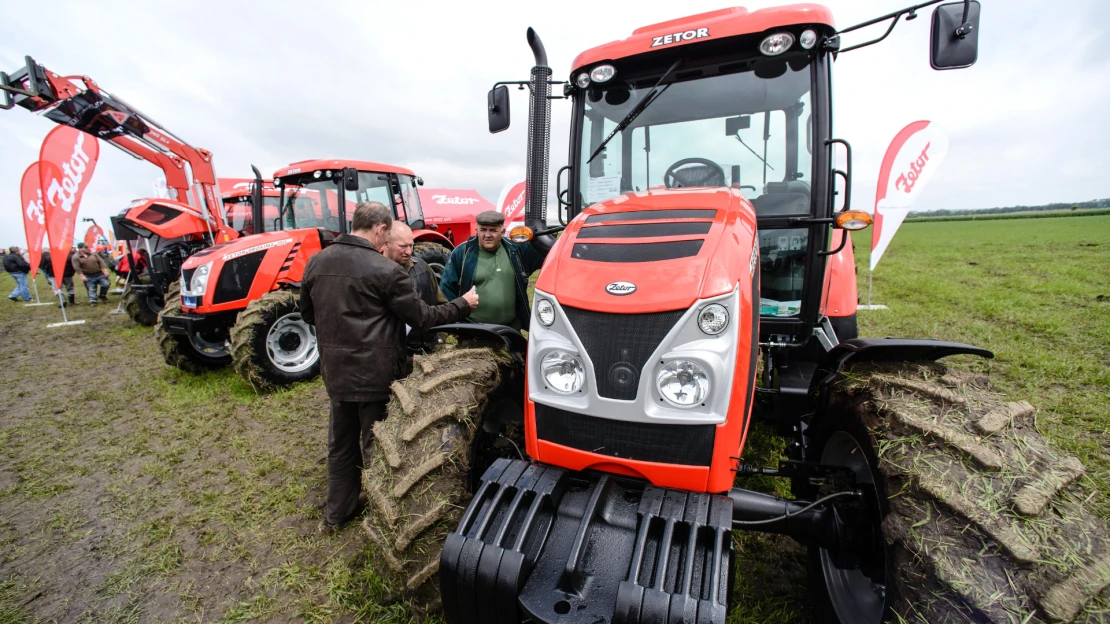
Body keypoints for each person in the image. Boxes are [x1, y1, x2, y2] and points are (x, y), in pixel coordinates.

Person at [300, 201, 479, 532]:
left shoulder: (317, 262)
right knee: (377, 446)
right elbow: (423, 317)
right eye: (388, 236)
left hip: (336, 373)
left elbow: (309, 314)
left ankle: (337, 514)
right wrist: (462, 305)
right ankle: (383, 519)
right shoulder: (384, 270)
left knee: (340, 443)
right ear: (380, 229)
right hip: (375, 374)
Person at [439, 210, 545, 330]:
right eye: (483, 229)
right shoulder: (462, 253)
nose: (487, 235)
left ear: (503, 232)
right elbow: (446, 289)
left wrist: (540, 234)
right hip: (473, 329)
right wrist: (455, 324)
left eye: (493, 230)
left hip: (510, 328)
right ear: (477, 231)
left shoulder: (516, 251)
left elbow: (546, 253)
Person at [381, 221, 448, 355]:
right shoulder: (377, 274)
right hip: (397, 356)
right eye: (403, 246)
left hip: (430, 350)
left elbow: (440, 302)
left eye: (411, 245)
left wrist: (440, 337)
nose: (409, 251)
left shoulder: (422, 267)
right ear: (386, 244)